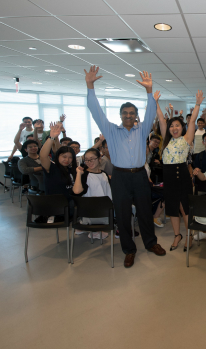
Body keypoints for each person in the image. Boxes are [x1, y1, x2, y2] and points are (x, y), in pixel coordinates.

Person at [86, 66, 166, 268]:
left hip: (139, 176)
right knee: (122, 215)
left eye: (132, 113)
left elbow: (151, 112)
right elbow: (96, 111)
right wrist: (90, 87)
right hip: (120, 177)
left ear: (136, 115)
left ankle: (151, 243)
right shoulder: (111, 130)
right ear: (120, 115)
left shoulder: (142, 130)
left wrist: (149, 91)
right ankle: (129, 250)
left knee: (145, 212)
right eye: (125, 113)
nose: (128, 116)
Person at [155, 89, 205, 253]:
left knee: (184, 208)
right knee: (172, 208)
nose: (174, 128)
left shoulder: (186, 139)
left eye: (177, 125)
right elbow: (161, 120)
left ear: (182, 127)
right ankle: (177, 235)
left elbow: (193, 121)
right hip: (168, 176)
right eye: (171, 126)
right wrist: (155, 103)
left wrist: (197, 104)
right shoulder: (166, 140)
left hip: (182, 175)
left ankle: (189, 235)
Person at [39, 122, 78, 222]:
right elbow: (43, 156)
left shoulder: (72, 169)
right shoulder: (52, 167)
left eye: (70, 157)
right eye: (64, 157)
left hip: (70, 203)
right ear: (58, 156)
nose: (67, 160)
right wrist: (52, 137)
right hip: (57, 205)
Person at [73, 148, 112, 240]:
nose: (89, 162)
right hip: (90, 211)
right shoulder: (85, 174)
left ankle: (88, 228)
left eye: (92, 159)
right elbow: (77, 191)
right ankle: (92, 229)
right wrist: (78, 174)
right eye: (86, 160)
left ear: (99, 159)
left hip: (105, 209)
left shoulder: (104, 174)